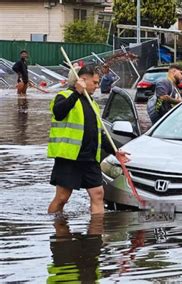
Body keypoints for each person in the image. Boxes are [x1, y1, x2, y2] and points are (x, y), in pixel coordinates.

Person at [47, 65, 129, 215]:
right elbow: (58, 112)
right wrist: (77, 93)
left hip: (90, 158)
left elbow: (98, 134)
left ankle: (96, 234)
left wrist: (115, 152)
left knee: (98, 195)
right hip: (69, 158)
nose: (98, 86)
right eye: (95, 82)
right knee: (62, 197)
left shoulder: (93, 104)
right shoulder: (64, 96)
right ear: (83, 80)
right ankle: (55, 228)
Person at [47, 214, 104, 282]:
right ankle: (54, 214)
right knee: (96, 224)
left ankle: (54, 214)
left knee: (61, 227)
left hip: (65, 269)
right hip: (90, 266)